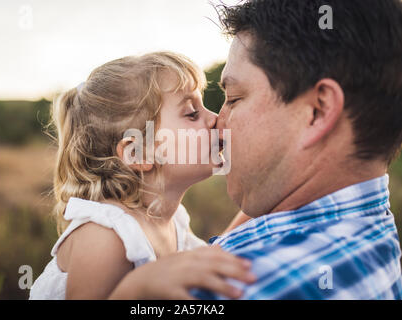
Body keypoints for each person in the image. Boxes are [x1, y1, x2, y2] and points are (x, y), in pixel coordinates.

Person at [114, 0, 402, 299]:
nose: (218, 123)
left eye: (235, 98)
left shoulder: (231, 289)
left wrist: (129, 292)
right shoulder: (369, 226)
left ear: (317, 111)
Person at [29, 51, 255, 300]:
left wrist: (261, 205)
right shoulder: (106, 235)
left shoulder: (172, 220)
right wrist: (138, 287)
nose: (215, 119)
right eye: (192, 113)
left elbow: (211, 256)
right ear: (138, 153)